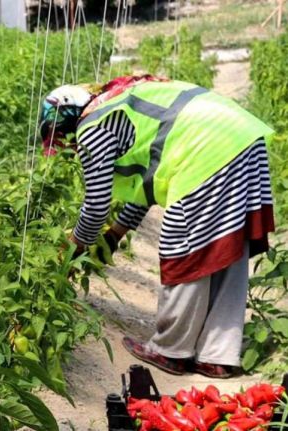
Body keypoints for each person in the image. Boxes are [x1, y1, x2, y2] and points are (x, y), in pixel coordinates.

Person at [39, 75, 275, 378]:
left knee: (182, 245)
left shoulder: (91, 128)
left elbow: (96, 204)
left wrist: (73, 250)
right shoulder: (115, 102)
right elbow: (146, 190)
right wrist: (113, 236)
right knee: (226, 243)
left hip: (206, 148)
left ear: (66, 124)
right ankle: (218, 355)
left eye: (62, 138)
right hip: (241, 139)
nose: (69, 147)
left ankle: (171, 351)